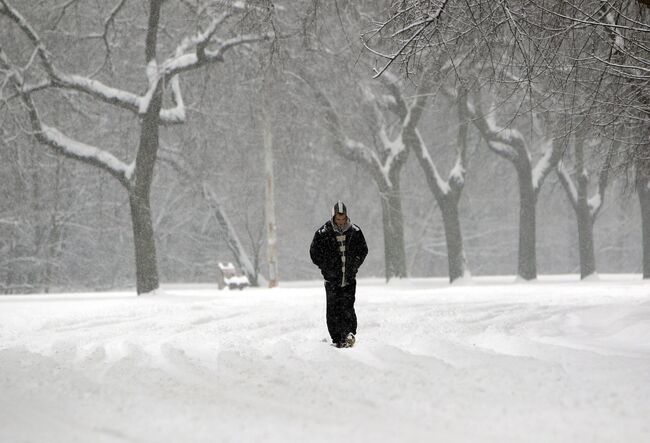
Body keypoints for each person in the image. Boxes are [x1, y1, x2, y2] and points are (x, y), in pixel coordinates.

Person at [310, 201, 368, 348]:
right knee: (333, 308)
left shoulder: (355, 232)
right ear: (333, 217)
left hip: (349, 278)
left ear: (346, 216)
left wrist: (354, 266)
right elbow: (314, 253)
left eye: (343, 219)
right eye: (338, 219)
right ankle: (337, 337)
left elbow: (363, 250)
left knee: (348, 306)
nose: (341, 222)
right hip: (331, 280)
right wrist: (325, 268)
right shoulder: (323, 233)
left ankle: (349, 334)